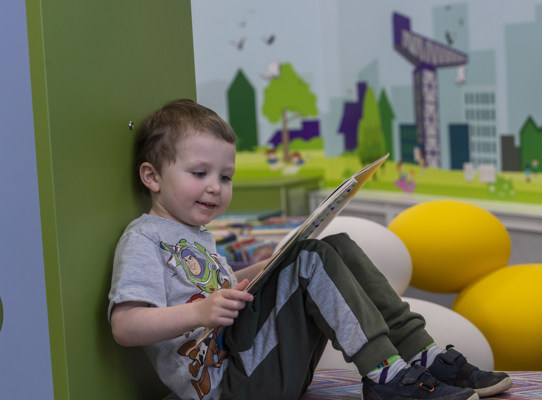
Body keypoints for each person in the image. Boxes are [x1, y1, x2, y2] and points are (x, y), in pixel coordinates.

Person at [108, 99, 512, 400]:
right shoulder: (145, 238)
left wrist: (257, 273)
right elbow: (126, 327)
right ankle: (385, 378)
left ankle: (421, 355)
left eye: (226, 176)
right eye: (200, 173)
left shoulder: (195, 235)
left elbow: (216, 293)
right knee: (311, 260)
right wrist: (198, 312)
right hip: (230, 386)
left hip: (258, 365)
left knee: (331, 245)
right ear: (152, 176)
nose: (216, 186)